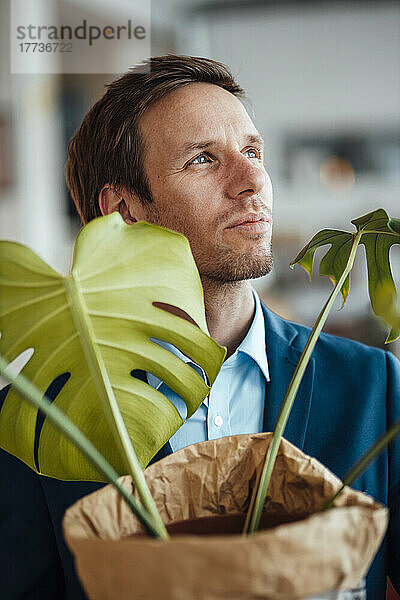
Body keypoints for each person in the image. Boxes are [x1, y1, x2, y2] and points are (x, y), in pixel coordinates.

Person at [1, 55, 399, 600]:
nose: (252, 179)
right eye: (204, 159)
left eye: (252, 151)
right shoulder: (41, 423)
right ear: (124, 210)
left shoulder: (375, 387)